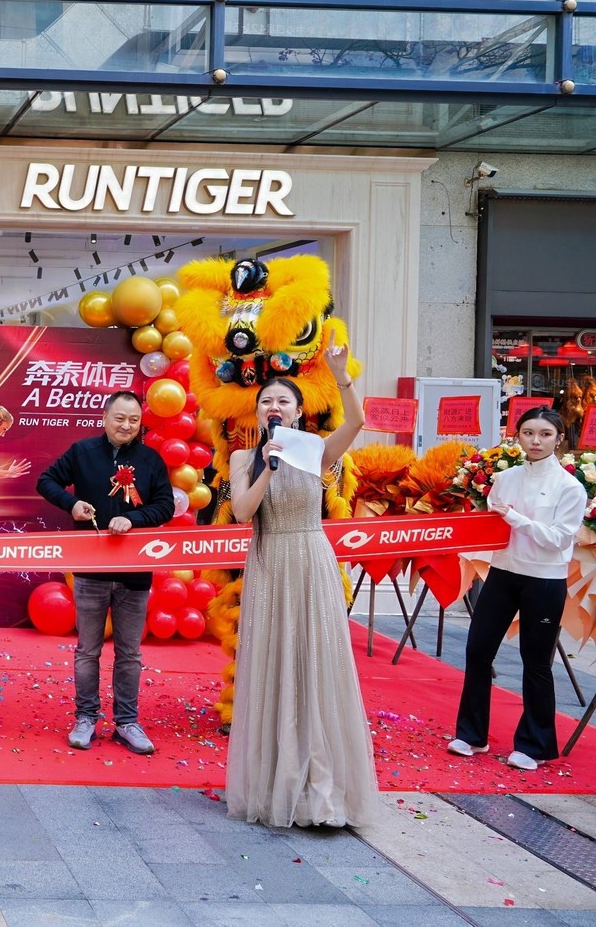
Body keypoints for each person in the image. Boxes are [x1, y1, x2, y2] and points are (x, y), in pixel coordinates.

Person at [225, 329, 379, 827]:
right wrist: (268, 467)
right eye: (266, 401)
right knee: (274, 663)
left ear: (297, 411)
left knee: (315, 662)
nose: (274, 406)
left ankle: (322, 789)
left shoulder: (314, 449)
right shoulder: (243, 458)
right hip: (270, 562)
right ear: (258, 412)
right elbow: (242, 513)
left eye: (283, 401)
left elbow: (356, 422)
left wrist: (341, 375)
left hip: (311, 560)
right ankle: (276, 783)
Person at [36, 391, 175, 754]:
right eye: (120, 418)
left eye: (133, 420)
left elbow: (165, 506)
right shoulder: (83, 452)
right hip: (90, 570)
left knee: (130, 653)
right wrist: (72, 504)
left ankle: (127, 722)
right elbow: (46, 481)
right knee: (87, 651)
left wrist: (133, 519)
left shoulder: (150, 460)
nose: (126, 426)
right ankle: (86, 718)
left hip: (134, 572)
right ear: (104, 418)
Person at [449, 405, 587, 772]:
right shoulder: (506, 477)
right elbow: (492, 525)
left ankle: (535, 745)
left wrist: (515, 518)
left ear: (559, 439)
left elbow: (558, 540)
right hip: (503, 573)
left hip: (545, 579)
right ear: (518, 436)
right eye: (528, 433)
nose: (536, 441)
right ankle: (472, 735)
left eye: (545, 434)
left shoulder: (569, 487)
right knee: (478, 651)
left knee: (536, 661)